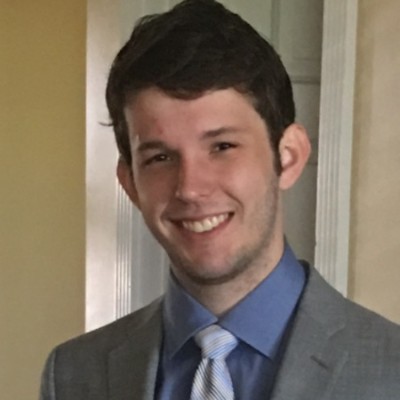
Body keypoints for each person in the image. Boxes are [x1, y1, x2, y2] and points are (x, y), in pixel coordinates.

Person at [40, 1, 400, 399]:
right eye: (160, 158)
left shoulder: (392, 370)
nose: (190, 188)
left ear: (289, 156)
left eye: (222, 146)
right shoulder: (73, 375)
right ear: (130, 184)